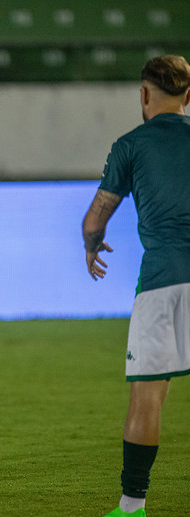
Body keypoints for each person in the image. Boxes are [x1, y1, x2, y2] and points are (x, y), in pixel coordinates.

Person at [82, 54, 190, 517]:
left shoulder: (130, 144)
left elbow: (95, 218)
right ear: (188, 97)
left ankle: (131, 508)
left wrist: (93, 246)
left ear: (144, 95)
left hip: (164, 280)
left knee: (148, 394)